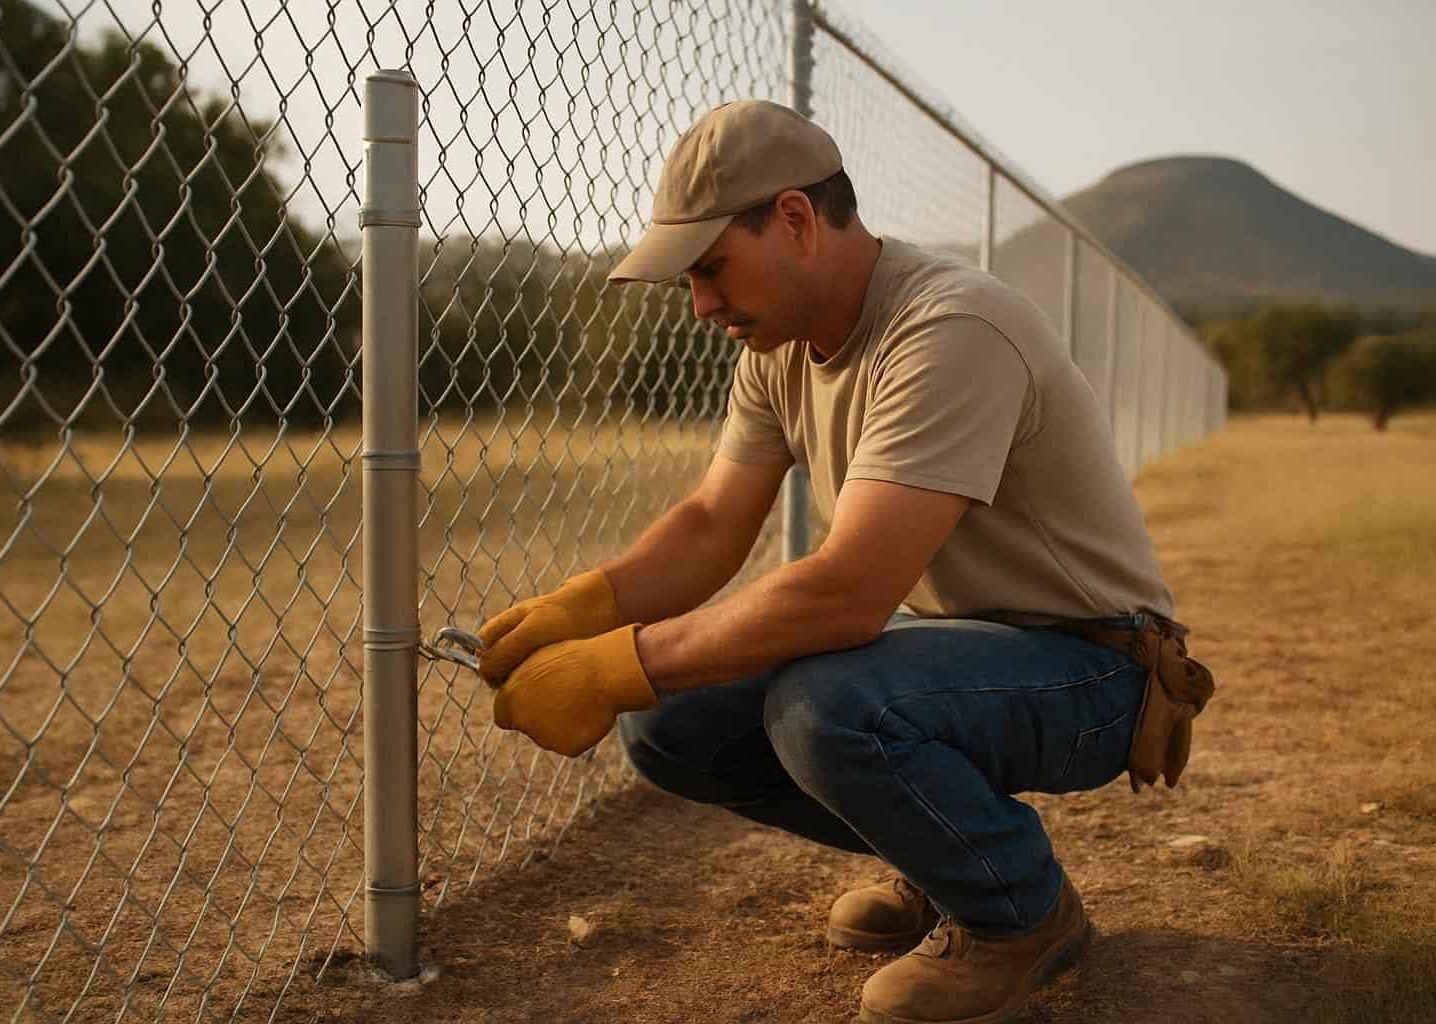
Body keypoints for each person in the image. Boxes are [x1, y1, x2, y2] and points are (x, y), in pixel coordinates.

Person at [475, 99, 1214, 1024]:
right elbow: (711, 523)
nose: (702, 306)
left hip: (1097, 668)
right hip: (956, 652)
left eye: (711, 268)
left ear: (794, 219)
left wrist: (617, 663)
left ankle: (1018, 910)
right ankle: (943, 863)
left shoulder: (951, 326)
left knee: (828, 704)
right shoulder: (776, 350)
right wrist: (585, 609)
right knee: (670, 723)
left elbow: (849, 592)